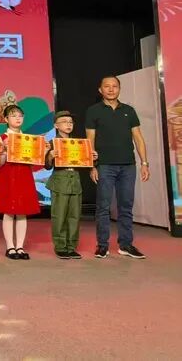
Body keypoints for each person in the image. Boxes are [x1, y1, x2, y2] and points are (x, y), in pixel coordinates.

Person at [85, 75, 150, 259]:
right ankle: (102, 245)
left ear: (119, 89)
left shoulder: (129, 110)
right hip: (104, 165)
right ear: (100, 90)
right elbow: (90, 140)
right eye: (107, 86)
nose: (111, 89)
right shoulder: (93, 111)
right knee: (103, 207)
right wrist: (92, 166)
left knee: (126, 206)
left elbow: (138, 138)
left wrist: (144, 163)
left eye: (115, 86)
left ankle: (126, 245)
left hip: (128, 166)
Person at [0, 104, 41, 260]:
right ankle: (10, 247)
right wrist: (4, 151)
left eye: (20, 116)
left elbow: (34, 161)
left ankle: (20, 246)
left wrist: (40, 150)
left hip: (24, 175)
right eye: (13, 115)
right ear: (6, 119)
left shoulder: (28, 139)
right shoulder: (1, 138)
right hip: (8, 176)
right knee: (8, 211)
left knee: (22, 211)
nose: (18, 118)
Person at [45, 110, 97, 259]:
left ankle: (71, 246)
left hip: (75, 180)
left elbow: (85, 163)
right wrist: (50, 156)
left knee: (74, 216)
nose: (68, 125)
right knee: (59, 215)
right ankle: (60, 246)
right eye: (64, 122)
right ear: (56, 125)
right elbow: (46, 166)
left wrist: (93, 158)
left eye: (70, 122)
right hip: (60, 180)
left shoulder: (79, 143)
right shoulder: (52, 142)